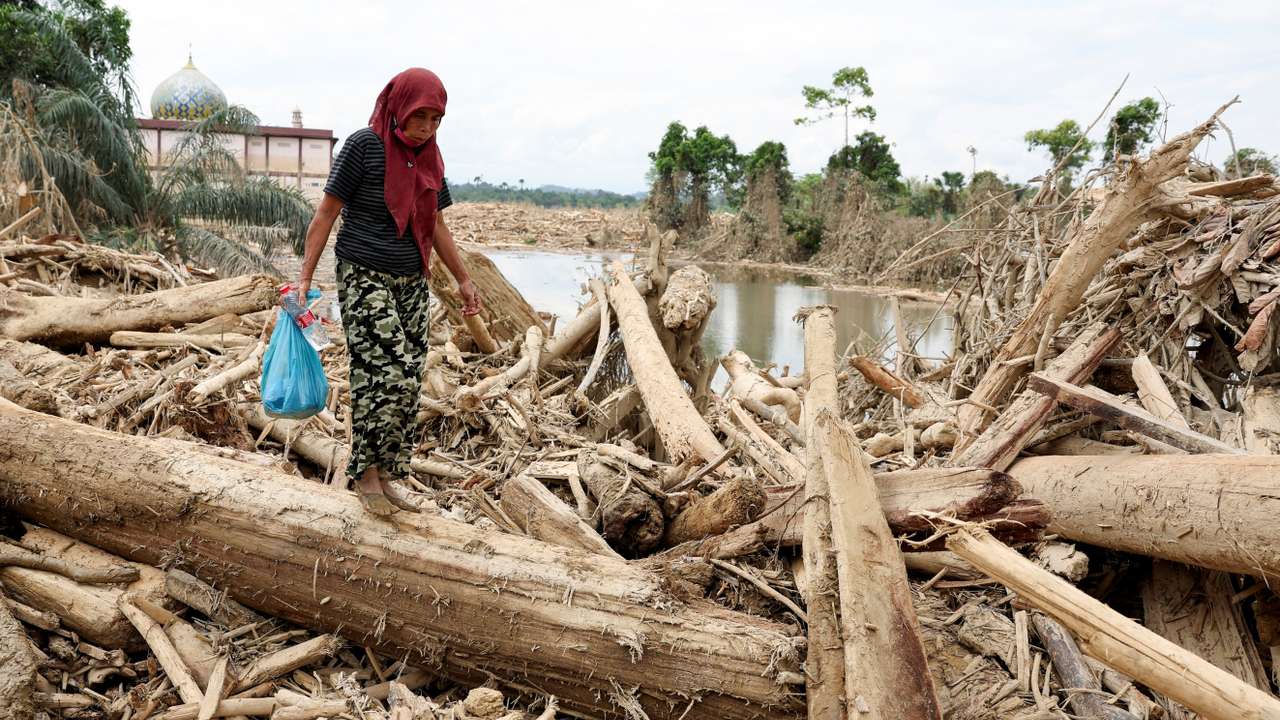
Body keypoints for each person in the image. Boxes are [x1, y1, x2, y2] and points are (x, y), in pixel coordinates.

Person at [296, 67, 482, 515]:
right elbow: (326, 214)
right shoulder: (364, 146)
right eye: (420, 117)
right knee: (383, 372)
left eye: (436, 120)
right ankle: (364, 475)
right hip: (364, 275)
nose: (427, 128)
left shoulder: (431, 158)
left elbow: (436, 223)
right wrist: (305, 278)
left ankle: (385, 474)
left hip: (411, 281)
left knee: (408, 378)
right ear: (399, 107)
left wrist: (462, 278)